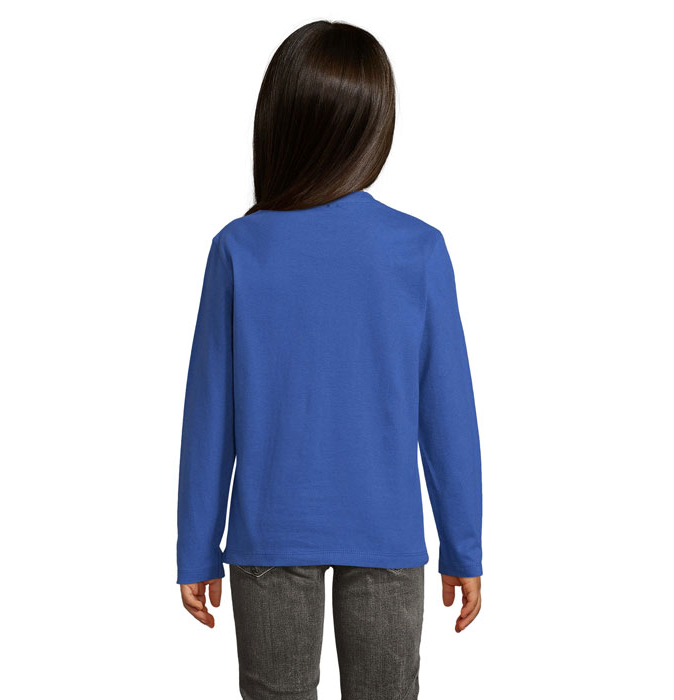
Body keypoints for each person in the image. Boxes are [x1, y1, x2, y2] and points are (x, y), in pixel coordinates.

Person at [176, 20, 483, 700]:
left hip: (269, 531)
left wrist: (196, 547)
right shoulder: (417, 250)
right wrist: (463, 545)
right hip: (386, 532)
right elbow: (448, 416)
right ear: (375, 125)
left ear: (280, 120)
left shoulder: (239, 249)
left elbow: (208, 418)